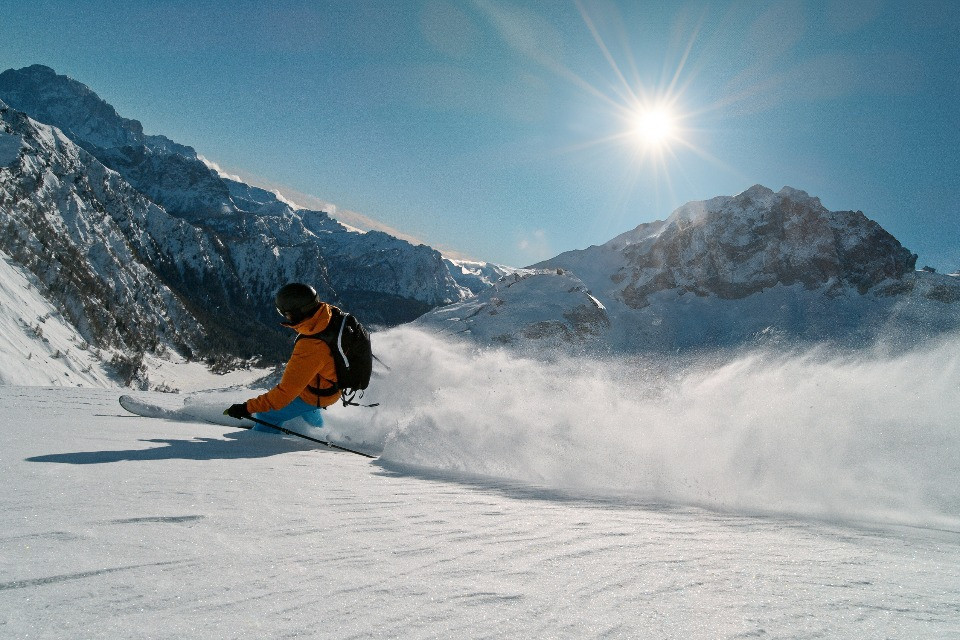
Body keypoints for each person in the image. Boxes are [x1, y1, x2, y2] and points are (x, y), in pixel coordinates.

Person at [225, 283, 340, 433]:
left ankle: (258, 446)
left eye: (286, 313)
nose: (286, 317)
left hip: (319, 393)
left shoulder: (311, 345)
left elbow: (284, 394)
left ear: (297, 313)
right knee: (303, 400)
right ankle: (319, 431)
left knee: (266, 414)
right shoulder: (328, 315)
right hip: (329, 386)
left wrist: (247, 408)